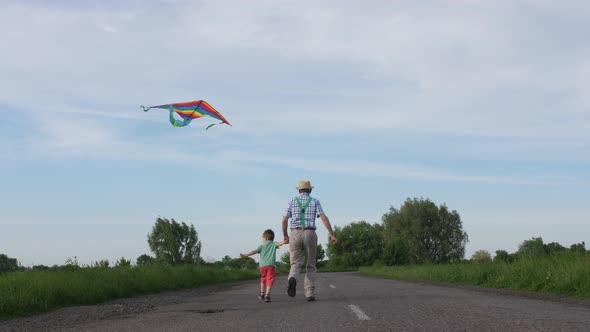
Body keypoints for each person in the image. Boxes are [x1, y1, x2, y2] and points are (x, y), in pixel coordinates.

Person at [282, 180, 338, 301]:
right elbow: (323, 217)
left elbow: (284, 220)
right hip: (310, 233)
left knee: (295, 263)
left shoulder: (291, 201)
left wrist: (285, 235)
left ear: (299, 190)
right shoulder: (315, 201)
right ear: (310, 190)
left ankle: (293, 278)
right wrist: (332, 235)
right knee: (311, 265)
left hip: (295, 233)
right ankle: (309, 293)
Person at [240, 229, 286, 302]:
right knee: (270, 279)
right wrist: (284, 241)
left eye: (262, 238)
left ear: (266, 238)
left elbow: (254, 251)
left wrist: (245, 255)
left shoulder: (261, 246)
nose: (262, 239)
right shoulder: (273, 244)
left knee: (263, 279)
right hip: (271, 265)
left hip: (262, 266)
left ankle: (262, 294)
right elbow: (279, 243)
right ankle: (267, 296)